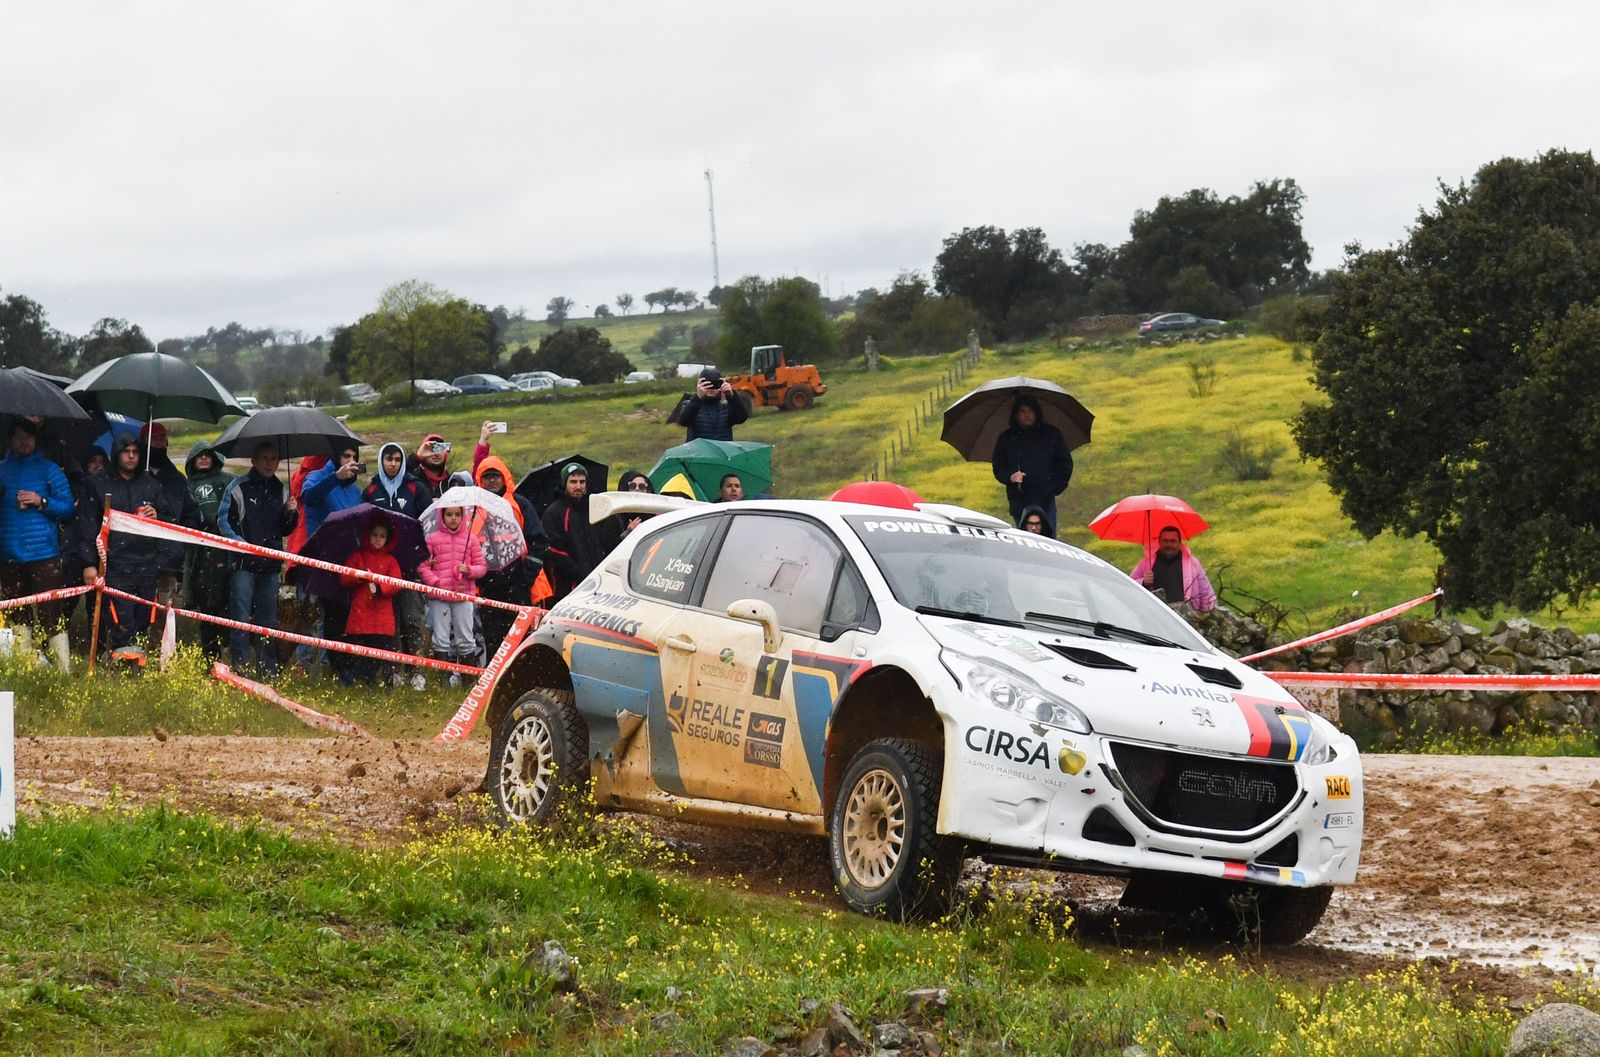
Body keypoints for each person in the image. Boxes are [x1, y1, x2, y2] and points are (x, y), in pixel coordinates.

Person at [80, 432, 171, 663]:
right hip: (114, 564)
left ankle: (136, 665)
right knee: (121, 620)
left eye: (135, 452)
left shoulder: (151, 485)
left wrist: (157, 514)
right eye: (126, 451)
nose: (131, 456)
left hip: (146, 564)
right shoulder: (97, 484)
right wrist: (88, 563)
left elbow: (171, 520)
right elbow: (87, 526)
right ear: (116, 453)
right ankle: (121, 663)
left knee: (143, 618)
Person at [216, 442, 299, 675]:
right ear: (254, 460)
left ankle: (267, 669)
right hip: (243, 564)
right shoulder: (238, 487)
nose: (270, 463)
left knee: (268, 620)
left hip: (270, 566)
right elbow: (223, 521)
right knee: (241, 618)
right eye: (265, 458)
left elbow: (285, 529)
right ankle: (240, 667)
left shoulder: (281, 490)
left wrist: (292, 513)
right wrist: (241, 545)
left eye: (274, 459)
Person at [0, 419, 75, 669]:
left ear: (36, 440)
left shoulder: (50, 470)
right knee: (17, 615)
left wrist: (41, 501)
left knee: (51, 613)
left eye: (29, 437)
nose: (24, 442)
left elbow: (67, 508)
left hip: (45, 555)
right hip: (9, 555)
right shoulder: (1, 470)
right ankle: (25, 666)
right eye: (19, 437)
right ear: (11, 440)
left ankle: (64, 671)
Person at [363, 441, 432, 689]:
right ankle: (394, 670)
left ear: (403, 462)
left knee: (413, 619)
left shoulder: (416, 488)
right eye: (388, 459)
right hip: (382, 568)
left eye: (397, 460)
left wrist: (426, 553)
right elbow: (365, 526)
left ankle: (418, 671)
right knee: (389, 622)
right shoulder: (371, 491)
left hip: (411, 565)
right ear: (381, 461)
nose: (392, 464)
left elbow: (428, 523)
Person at [303, 445, 365, 682]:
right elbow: (309, 496)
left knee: (351, 615)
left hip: (352, 558)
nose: (350, 461)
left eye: (354, 457)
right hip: (325, 557)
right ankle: (340, 668)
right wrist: (334, 478)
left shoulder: (354, 489)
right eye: (345, 456)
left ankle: (349, 666)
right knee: (333, 615)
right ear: (335, 457)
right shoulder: (317, 477)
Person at [474, 454, 544, 658]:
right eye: (487, 477)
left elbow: (538, 540)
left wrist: (527, 577)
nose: (492, 480)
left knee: (519, 638)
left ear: (505, 477)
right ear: (480, 480)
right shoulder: (473, 508)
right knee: (492, 638)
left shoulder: (521, 504)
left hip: (518, 583)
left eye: (496, 476)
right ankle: (495, 683)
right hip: (486, 584)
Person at [419, 505, 487, 684]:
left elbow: (482, 567)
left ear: (463, 516)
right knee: (440, 638)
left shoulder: (471, 540)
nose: (453, 518)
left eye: (457, 514)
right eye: (449, 514)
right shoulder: (432, 540)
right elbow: (422, 566)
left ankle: (468, 680)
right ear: (442, 516)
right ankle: (444, 681)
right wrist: (435, 582)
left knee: (465, 637)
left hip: (463, 595)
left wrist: (469, 570)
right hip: (439, 596)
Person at [990, 394, 1074, 535]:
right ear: (1016, 415)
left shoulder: (1051, 434)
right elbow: (998, 466)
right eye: (1022, 411)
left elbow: (1065, 464)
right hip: (1019, 499)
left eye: (1030, 411)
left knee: (1049, 542)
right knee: (1026, 543)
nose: (1027, 415)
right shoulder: (1007, 438)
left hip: (1045, 498)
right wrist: (1011, 477)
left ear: (1037, 413)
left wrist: (1053, 487)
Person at [182, 440, 235, 660]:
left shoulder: (228, 481)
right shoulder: (187, 486)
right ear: (193, 459)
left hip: (225, 549)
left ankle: (228, 650)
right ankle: (208, 656)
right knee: (205, 605)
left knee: (227, 603)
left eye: (207, 454)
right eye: (199, 455)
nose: (204, 458)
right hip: (199, 553)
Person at [540, 463, 620, 605]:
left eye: (582, 482)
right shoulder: (554, 512)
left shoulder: (595, 508)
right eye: (573, 482)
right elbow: (553, 549)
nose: (578, 486)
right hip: (566, 585)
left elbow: (607, 540)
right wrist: (577, 571)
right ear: (565, 483)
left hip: (598, 580)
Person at [140, 422, 203, 604]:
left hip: (168, 561)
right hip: (135, 560)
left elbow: (192, 515)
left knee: (164, 615)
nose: (159, 444)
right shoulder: (135, 478)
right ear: (144, 442)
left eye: (162, 439)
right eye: (153, 439)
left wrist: (180, 542)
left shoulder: (178, 480)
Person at [338, 515, 403, 687]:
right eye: (375, 534)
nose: (378, 539)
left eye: (382, 536)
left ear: (387, 539)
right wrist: (360, 575)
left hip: (383, 616)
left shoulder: (391, 560)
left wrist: (381, 588)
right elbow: (344, 578)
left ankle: (388, 682)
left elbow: (397, 582)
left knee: (385, 653)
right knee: (362, 653)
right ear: (368, 535)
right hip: (361, 612)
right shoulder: (357, 556)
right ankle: (364, 682)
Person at [1131, 525, 1217, 613]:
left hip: (1185, 617)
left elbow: (1206, 593)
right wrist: (1143, 582)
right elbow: (1128, 585)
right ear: (1159, 542)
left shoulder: (1193, 563)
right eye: (1165, 541)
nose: (1169, 545)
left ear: (1179, 543)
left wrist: (1209, 617)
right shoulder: (1146, 563)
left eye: (1172, 541)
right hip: (1154, 615)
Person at [670, 367, 749, 442]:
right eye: (707, 385)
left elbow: (741, 418)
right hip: (699, 452)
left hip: (721, 451)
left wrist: (732, 396)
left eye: (715, 384)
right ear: (700, 385)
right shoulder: (691, 404)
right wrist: (697, 397)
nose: (711, 389)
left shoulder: (726, 407)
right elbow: (683, 421)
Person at [407, 434, 453, 499]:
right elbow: (398, 472)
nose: (436, 454)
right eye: (431, 450)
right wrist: (417, 457)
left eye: (440, 449)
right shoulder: (413, 477)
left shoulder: (452, 482)